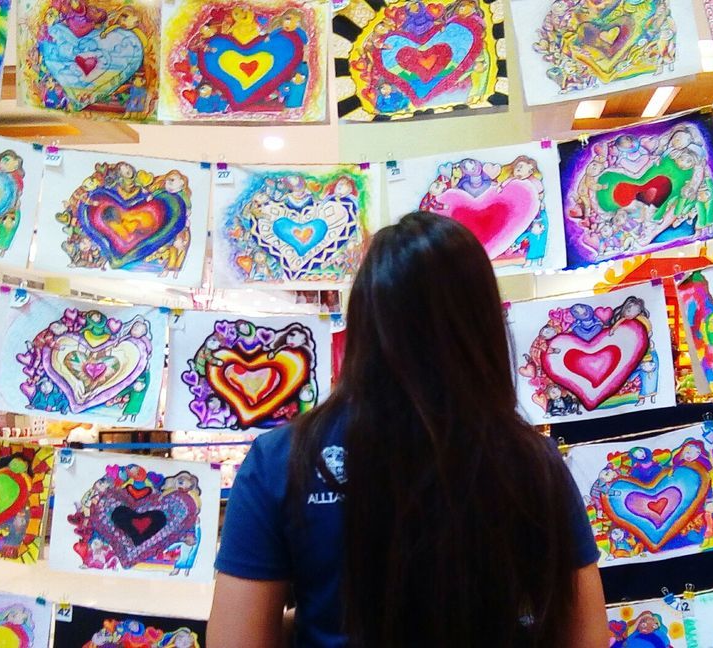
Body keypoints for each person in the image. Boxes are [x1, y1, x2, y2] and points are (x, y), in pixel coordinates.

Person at [208, 212, 607, 647]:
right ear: (485, 324)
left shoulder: (281, 459)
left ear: (363, 320)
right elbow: (586, 636)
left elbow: (237, 639)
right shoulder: (530, 460)